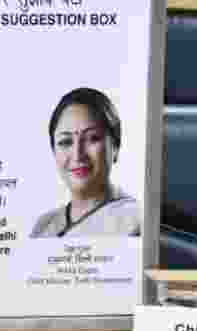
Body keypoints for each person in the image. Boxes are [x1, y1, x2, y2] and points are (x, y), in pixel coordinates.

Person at [30, 88, 140, 238]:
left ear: (115, 146)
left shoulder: (135, 221)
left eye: (92, 138)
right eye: (66, 142)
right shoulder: (43, 227)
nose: (78, 155)